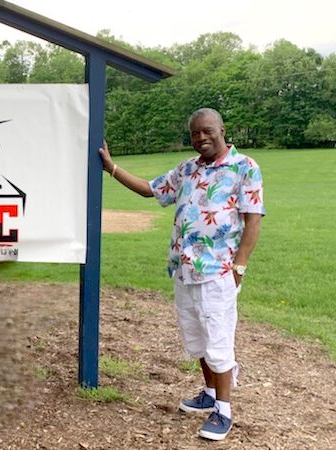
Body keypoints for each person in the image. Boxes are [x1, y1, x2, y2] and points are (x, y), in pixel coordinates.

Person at [99, 108, 264, 441]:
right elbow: (151, 189)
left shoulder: (244, 167)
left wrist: (240, 267)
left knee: (218, 340)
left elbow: (253, 220)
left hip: (218, 271)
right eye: (195, 134)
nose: (201, 138)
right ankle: (210, 393)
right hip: (184, 269)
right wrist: (111, 167)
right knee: (197, 339)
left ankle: (224, 412)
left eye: (207, 131)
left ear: (221, 129)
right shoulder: (188, 169)